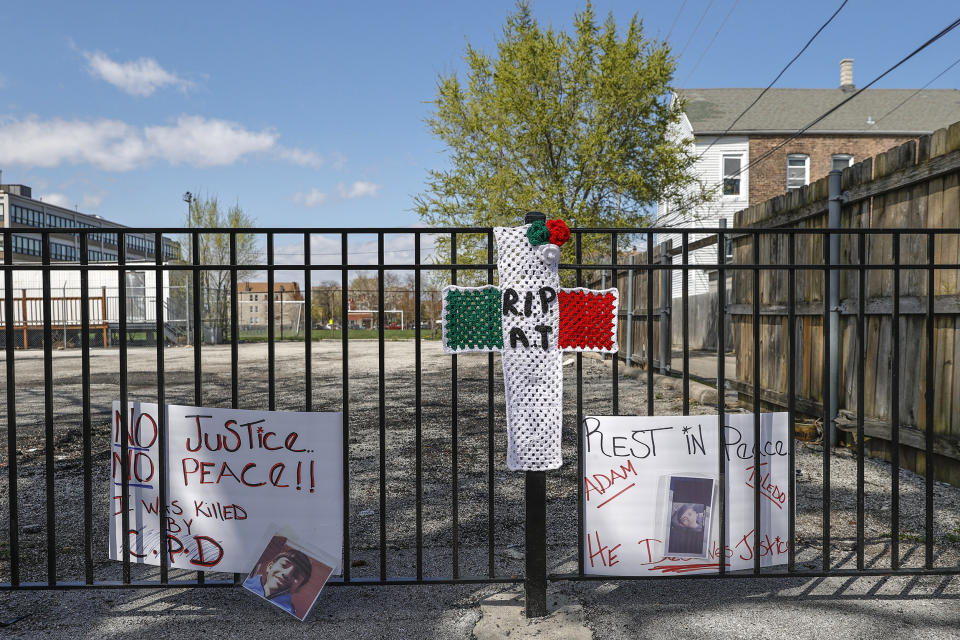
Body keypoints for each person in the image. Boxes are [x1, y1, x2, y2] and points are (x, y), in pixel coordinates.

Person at [243, 547, 313, 616]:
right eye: (283, 565)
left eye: (296, 575)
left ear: (299, 587)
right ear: (270, 567)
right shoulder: (243, 583)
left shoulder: (289, 614)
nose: (287, 574)